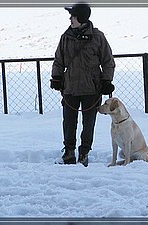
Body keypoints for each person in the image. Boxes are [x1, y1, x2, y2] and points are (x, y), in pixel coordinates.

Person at [50, 2, 115, 167]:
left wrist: (107, 81)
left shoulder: (98, 37)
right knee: (69, 121)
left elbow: (108, 61)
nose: (70, 19)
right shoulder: (65, 37)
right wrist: (56, 77)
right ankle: (69, 152)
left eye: (73, 16)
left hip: (92, 89)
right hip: (70, 88)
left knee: (89, 123)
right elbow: (59, 60)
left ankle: (84, 152)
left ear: (81, 18)